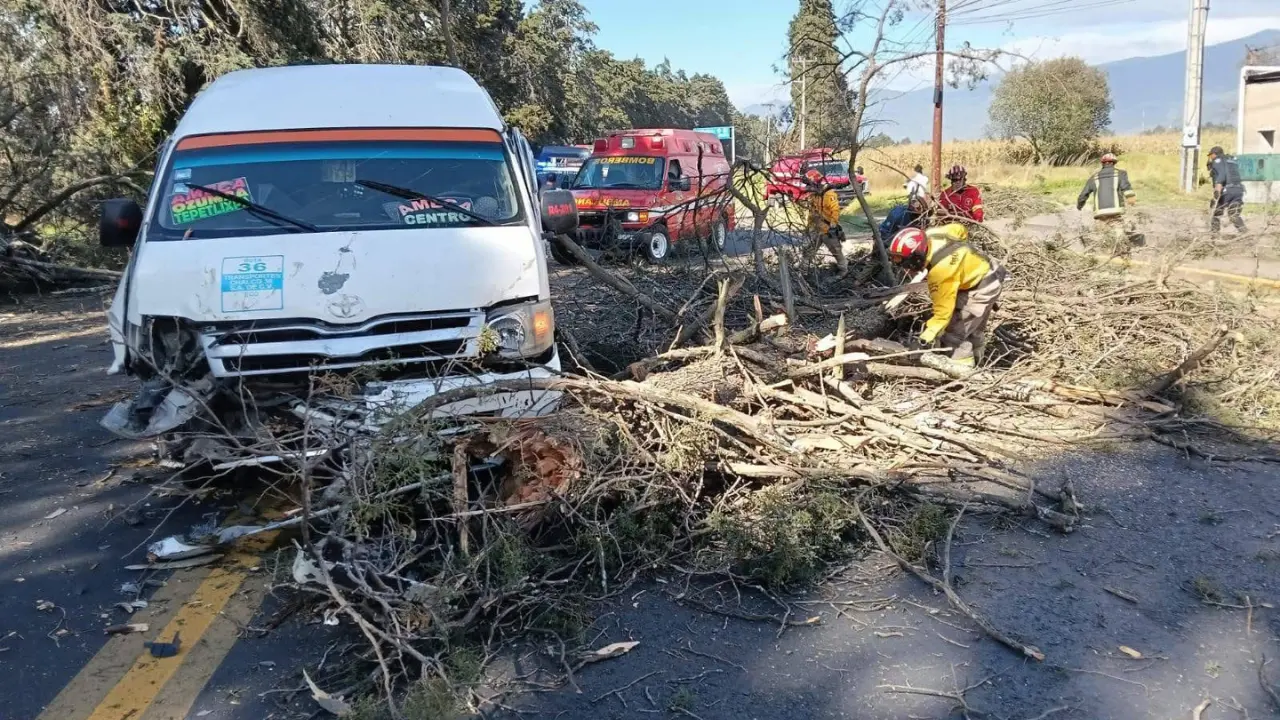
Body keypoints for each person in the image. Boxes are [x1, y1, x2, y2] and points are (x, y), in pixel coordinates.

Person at [889, 223, 1008, 366]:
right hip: (993, 272)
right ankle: (980, 360)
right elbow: (961, 229)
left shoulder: (941, 273)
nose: (906, 270)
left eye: (906, 264)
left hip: (982, 289)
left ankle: (963, 370)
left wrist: (924, 339)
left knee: (954, 335)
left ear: (917, 257)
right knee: (974, 327)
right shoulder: (934, 234)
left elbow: (942, 315)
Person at [1076, 152, 1136, 246]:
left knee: (1103, 236)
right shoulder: (1121, 174)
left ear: (1102, 164)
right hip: (1115, 211)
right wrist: (1131, 200)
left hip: (1100, 213)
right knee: (1118, 234)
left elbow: (1083, 195)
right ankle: (1118, 248)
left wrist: (1079, 206)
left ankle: (1103, 251)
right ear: (1114, 163)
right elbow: (1127, 188)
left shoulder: (1094, 177)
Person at [801, 168, 848, 276]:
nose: (809, 187)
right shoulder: (814, 195)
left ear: (815, 182)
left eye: (810, 183)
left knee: (836, 251)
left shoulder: (829, 194)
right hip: (817, 229)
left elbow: (835, 210)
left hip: (828, 230)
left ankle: (843, 271)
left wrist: (833, 225)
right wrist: (809, 226)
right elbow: (812, 212)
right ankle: (803, 272)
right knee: (809, 251)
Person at [1206, 146, 1247, 235]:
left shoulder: (1218, 161)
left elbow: (1221, 176)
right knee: (1234, 215)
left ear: (1214, 154)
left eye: (1211, 155)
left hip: (1227, 191)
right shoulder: (1231, 161)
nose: (1210, 158)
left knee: (1216, 213)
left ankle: (1214, 237)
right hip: (1239, 190)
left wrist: (1216, 194)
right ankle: (1245, 234)